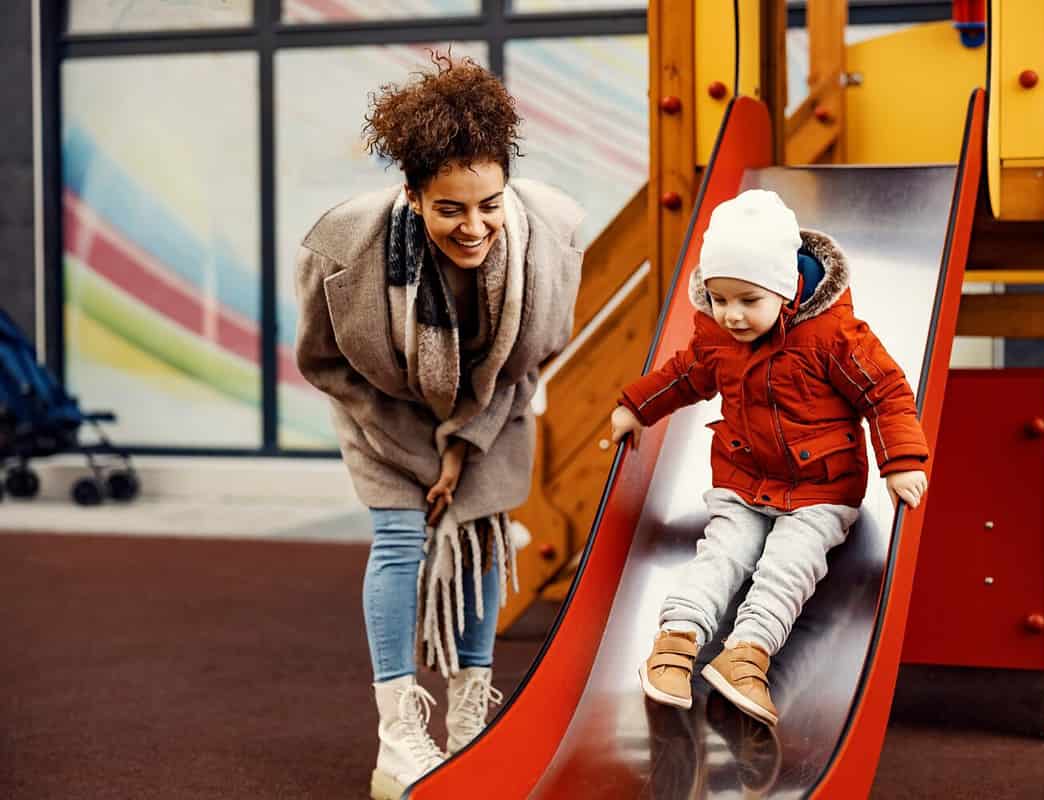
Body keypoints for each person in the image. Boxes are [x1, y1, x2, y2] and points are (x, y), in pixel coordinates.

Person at [294, 53, 584, 799]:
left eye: (489, 204)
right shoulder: (342, 249)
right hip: (383, 412)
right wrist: (423, 454)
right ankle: (398, 736)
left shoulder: (550, 240)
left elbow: (531, 358)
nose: (475, 225)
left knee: (483, 534)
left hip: (490, 403)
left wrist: (463, 447)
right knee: (399, 540)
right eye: (451, 208)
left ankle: (468, 723)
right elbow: (326, 363)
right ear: (414, 196)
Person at [610, 189, 928, 727]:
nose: (731, 315)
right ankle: (675, 643)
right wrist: (637, 407)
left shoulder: (832, 335)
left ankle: (747, 656)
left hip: (820, 488)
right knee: (723, 554)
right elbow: (685, 375)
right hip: (743, 478)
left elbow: (885, 392)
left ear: (785, 291)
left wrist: (901, 460)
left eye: (747, 300)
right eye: (718, 298)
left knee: (788, 566)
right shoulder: (717, 335)